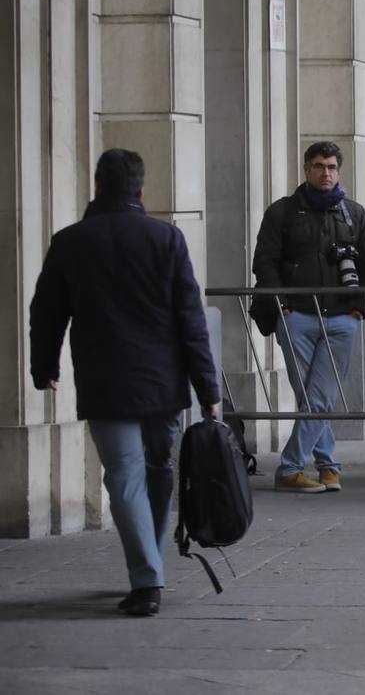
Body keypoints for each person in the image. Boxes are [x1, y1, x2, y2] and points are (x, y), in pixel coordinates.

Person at [29, 148, 221, 616]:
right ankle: (149, 570)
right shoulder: (167, 239)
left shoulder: (70, 241)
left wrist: (44, 366)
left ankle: (147, 574)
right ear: (140, 189)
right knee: (159, 472)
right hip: (163, 382)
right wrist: (208, 389)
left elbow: (47, 311)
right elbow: (190, 320)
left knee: (124, 476)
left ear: (97, 188)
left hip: (105, 380)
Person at [253, 141, 365, 494]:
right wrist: (283, 307)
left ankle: (294, 467)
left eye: (332, 167)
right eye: (320, 166)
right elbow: (265, 261)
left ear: (340, 170)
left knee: (318, 396)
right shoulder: (282, 212)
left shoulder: (353, 213)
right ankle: (326, 465)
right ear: (306, 169)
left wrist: (357, 309)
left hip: (341, 318)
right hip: (297, 317)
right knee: (313, 395)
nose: (326, 173)